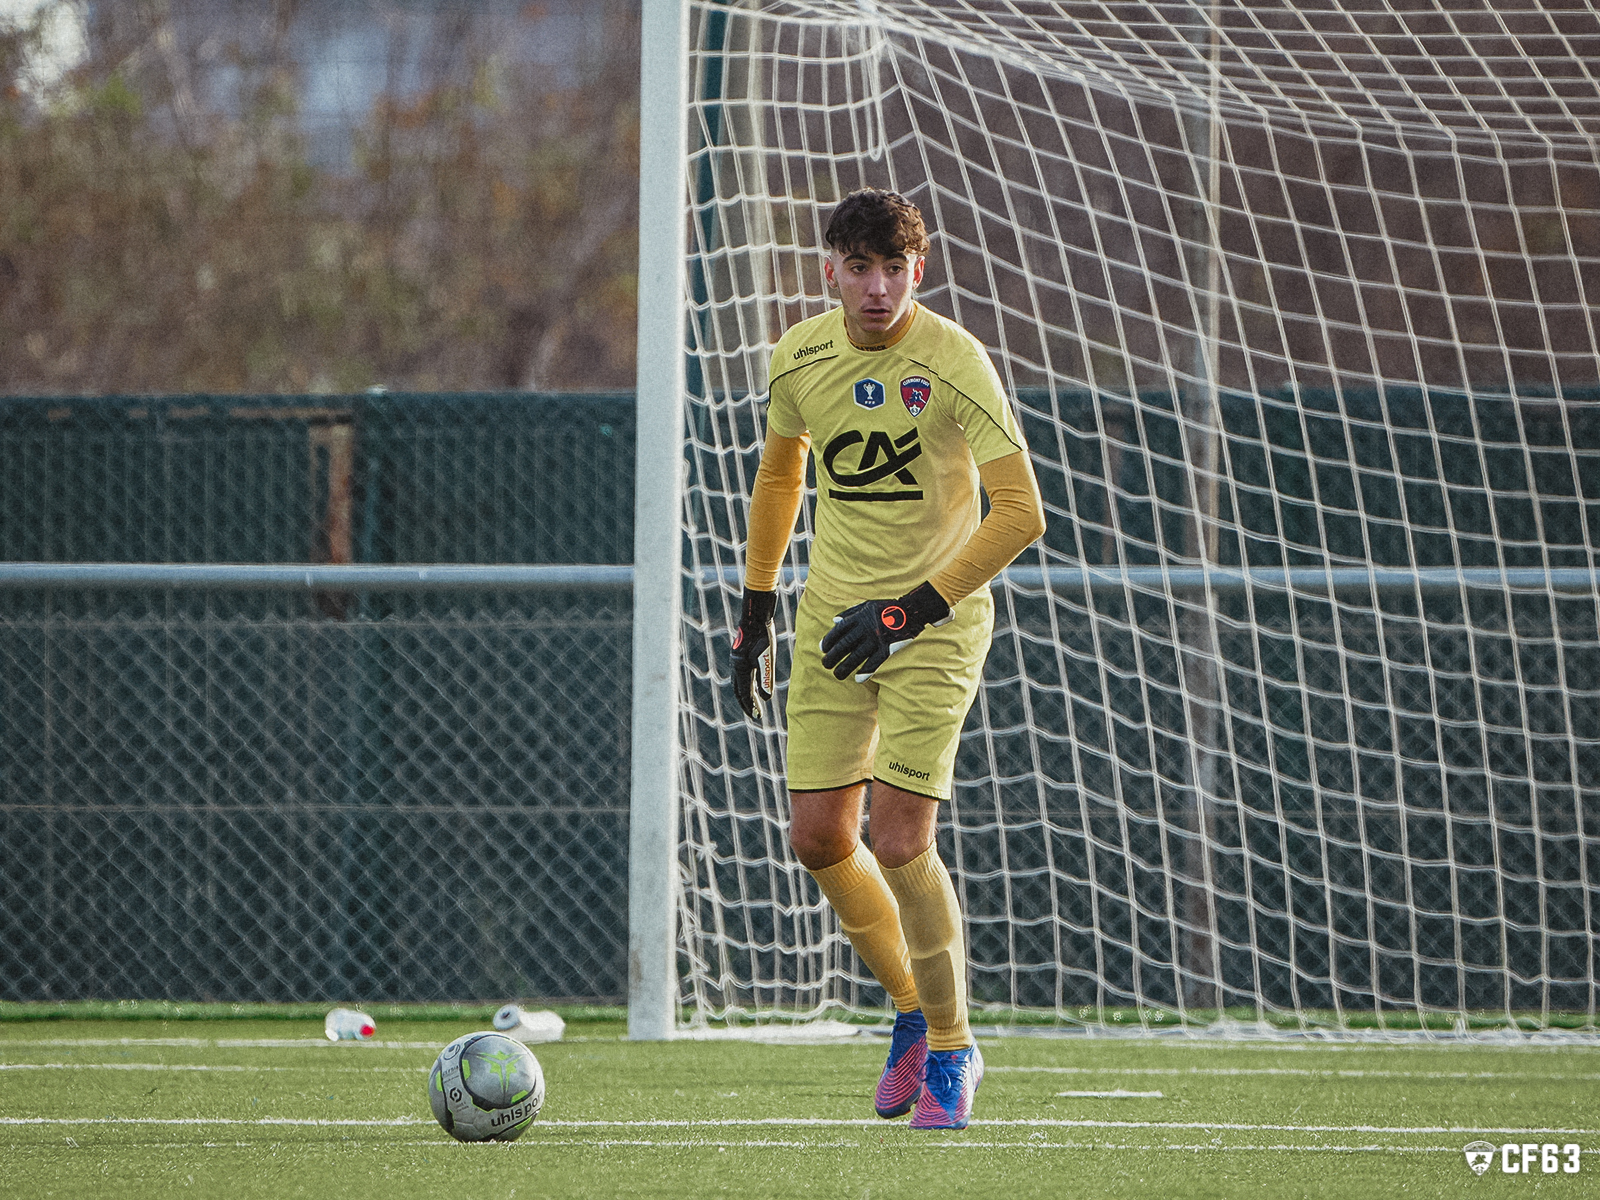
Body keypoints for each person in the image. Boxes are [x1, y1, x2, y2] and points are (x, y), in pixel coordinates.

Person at [729, 188, 1046, 1130]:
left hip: (935, 625)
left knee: (902, 842)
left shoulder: (954, 362)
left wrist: (909, 612)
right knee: (819, 839)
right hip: (834, 621)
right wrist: (756, 605)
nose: (876, 288)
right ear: (828, 267)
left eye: (893, 269)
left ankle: (952, 1050)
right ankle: (912, 1010)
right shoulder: (800, 355)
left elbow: (1022, 514)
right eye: (858, 267)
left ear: (922, 266)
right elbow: (783, 470)